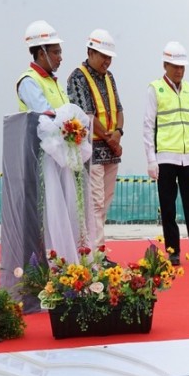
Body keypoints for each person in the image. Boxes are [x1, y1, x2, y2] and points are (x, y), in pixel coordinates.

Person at [17, 20, 94, 264]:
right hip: (44, 163)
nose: (60, 57)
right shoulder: (28, 81)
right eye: (56, 52)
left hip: (63, 160)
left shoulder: (54, 82)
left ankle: (73, 260)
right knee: (52, 217)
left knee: (71, 212)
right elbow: (47, 115)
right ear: (41, 53)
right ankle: (54, 264)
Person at [143, 41, 189, 267]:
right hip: (166, 157)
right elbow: (148, 126)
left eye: (182, 66)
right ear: (165, 65)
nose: (179, 70)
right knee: (169, 208)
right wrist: (151, 160)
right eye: (175, 66)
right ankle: (173, 252)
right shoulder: (155, 88)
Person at [66, 29, 124, 247]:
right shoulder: (78, 78)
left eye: (109, 57)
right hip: (92, 150)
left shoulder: (109, 77)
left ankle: (96, 249)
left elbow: (119, 108)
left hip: (111, 150)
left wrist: (118, 133)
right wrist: (111, 140)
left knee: (105, 202)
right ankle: (95, 253)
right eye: (103, 56)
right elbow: (87, 115)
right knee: (95, 204)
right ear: (90, 52)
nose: (107, 61)